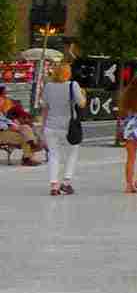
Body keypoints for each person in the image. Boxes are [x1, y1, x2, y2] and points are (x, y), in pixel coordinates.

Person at [38, 63, 85, 196]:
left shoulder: (48, 86)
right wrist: (83, 94)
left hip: (51, 126)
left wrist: (43, 126)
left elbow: (45, 107)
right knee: (72, 153)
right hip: (68, 127)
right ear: (67, 73)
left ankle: (54, 185)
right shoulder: (73, 85)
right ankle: (66, 182)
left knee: (54, 155)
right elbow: (81, 103)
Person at [0, 85, 44, 166]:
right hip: (2, 132)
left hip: (10, 129)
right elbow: (3, 124)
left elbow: (7, 120)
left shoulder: (5, 107)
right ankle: (27, 157)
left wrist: (14, 125)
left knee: (26, 128)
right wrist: (9, 126)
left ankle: (31, 149)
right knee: (26, 137)